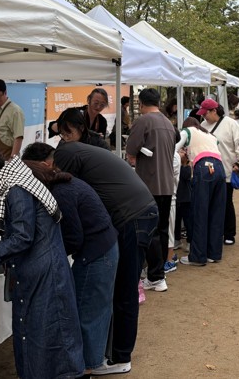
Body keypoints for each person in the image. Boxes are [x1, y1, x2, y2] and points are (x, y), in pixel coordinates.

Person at [0, 141, 83, 379]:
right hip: (37, 271)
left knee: (48, 346)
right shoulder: (11, 183)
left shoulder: (16, 188)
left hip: (44, 276)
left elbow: (23, 236)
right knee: (37, 343)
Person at [53, 135, 158, 376]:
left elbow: (66, 192)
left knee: (124, 291)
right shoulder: (82, 152)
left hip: (133, 219)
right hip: (138, 214)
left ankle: (121, 357)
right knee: (120, 290)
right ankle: (112, 353)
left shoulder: (65, 156)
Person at [21, 142, 119, 376]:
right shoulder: (64, 183)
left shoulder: (61, 192)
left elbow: (74, 237)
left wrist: (47, 254)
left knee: (87, 310)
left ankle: (88, 365)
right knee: (94, 306)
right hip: (102, 247)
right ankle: (92, 361)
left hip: (97, 253)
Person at [126, 88, 176, 292]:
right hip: (167, 183)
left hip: (149, 182)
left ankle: (156, 276)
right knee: (162, 229)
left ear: (141, 103)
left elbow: (130, 151)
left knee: (150, 230)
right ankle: (159, 271)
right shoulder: (168, 123)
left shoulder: (143, 121)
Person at [176, 117, 225, 266]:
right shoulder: (210, 135)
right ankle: (214, 253)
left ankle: (197, 256)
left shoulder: (188, 131)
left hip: (203, 168)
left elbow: (175, 146)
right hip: (219, 168)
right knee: (216, 213)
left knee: (199, 212)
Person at [198, 98, 239, 245]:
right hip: (207, 172)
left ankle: (229, 233)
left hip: (226, 169)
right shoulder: (202, 125)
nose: (204, 116)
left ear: (214, 111)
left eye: (206, 113)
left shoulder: (231, 124)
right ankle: (215, 232)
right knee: (211, 203)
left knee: (226, 203)